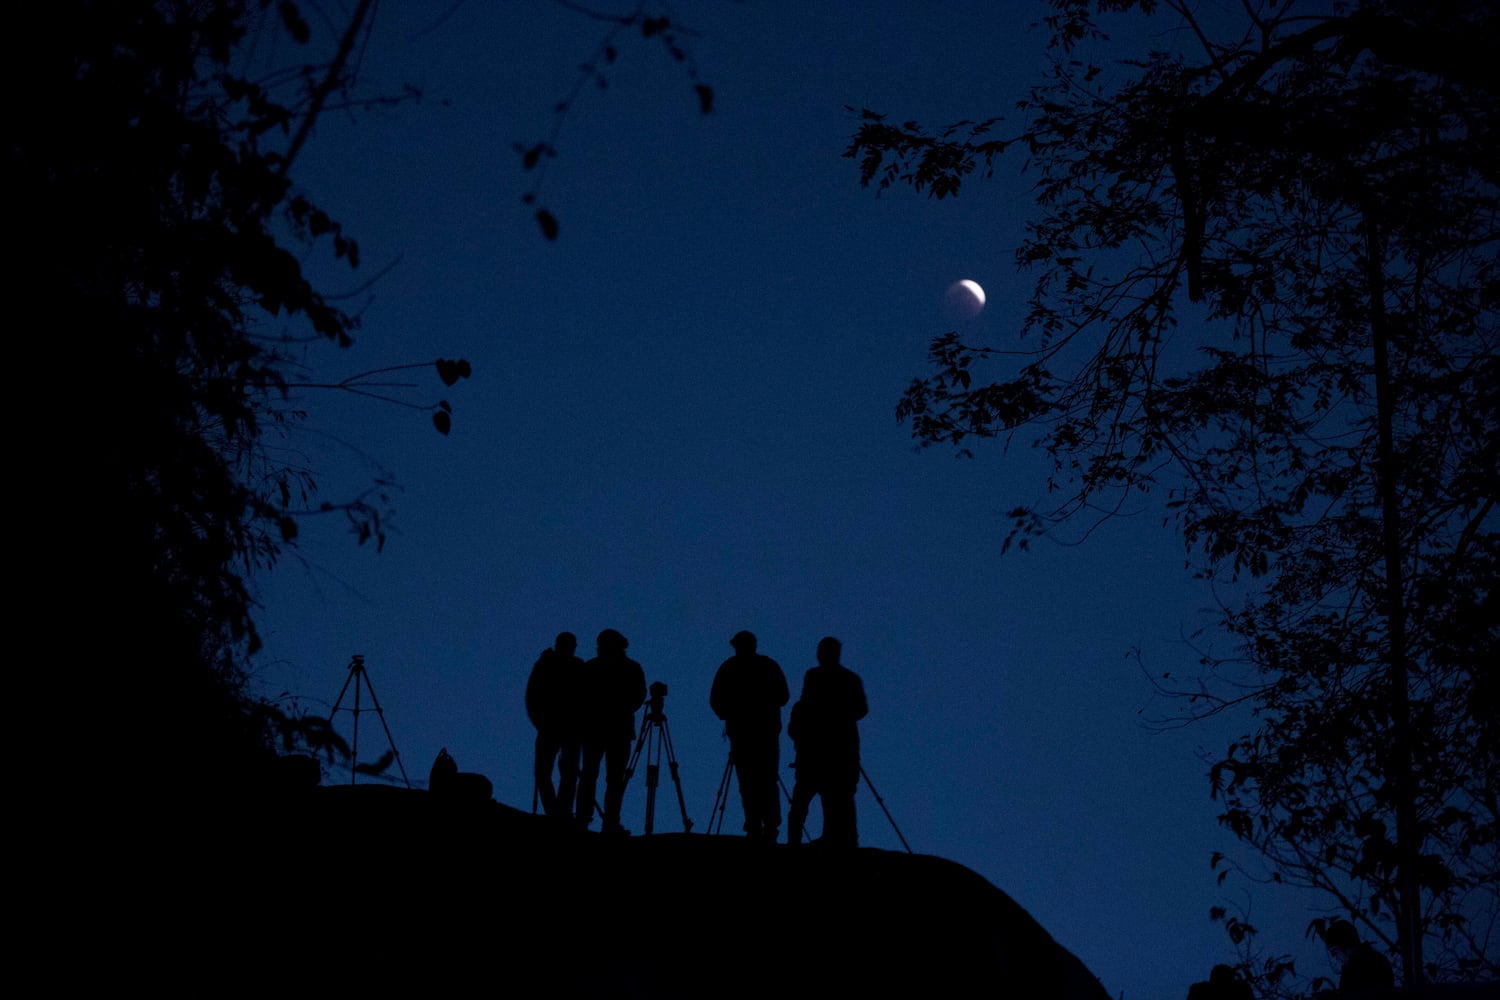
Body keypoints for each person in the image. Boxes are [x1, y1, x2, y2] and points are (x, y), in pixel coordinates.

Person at [786, 636, 867, 848]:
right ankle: (839, 839)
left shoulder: (816, 677)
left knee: (820, 798)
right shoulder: (847, 679)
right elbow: (861, 709)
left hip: (823, 751)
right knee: (831, 798)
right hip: (832, 750)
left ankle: (825, 839)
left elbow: (860, 709)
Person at [709, 630, 790, 843]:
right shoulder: (767, 666)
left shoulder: (730, 668)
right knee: (763, 779)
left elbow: (716, 700)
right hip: (761, 733)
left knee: (751, 780)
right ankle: (766, 825)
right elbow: (783, 695)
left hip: (750, 733)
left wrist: (730, 713)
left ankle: (759, 824)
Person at [575, 628, 647, 835]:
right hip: (611, 729)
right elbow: (638, 696)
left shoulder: (593, 667)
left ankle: (590, 819)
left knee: (600, 776)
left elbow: (638, 696)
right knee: (605, 777)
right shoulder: (629, 668)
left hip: (605, 729)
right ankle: (600, 820)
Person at [525, 632, 585, 821]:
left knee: (566, 772)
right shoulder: (547, 665)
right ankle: (556, 811)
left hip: (566, 728)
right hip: (553, 726)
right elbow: (532, 697)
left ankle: (561, 811)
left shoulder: (574, 666)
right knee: (546, 772)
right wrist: (541, 722)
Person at [1324, 919, 1394, 993]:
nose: (1335, 957)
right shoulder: (1351, 968)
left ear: (1346, 945)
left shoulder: (1373, 965)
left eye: (1335, 952)